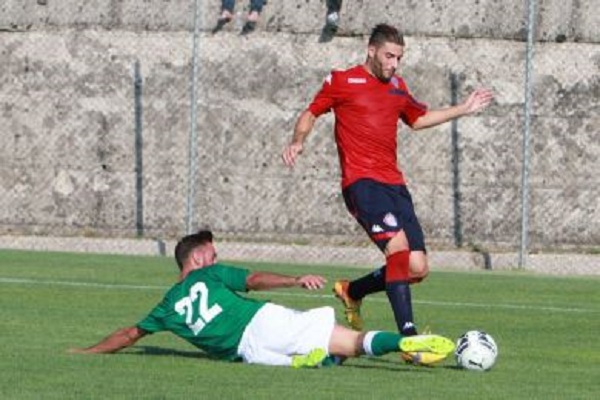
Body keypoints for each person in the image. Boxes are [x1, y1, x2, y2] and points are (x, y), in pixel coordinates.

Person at [282, 24, 493, 365]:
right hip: (361, 183)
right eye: (389, 56)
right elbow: (311, 113)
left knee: (418, 267)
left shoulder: (397, 86)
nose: (394, 64)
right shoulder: (341, 80)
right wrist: (298, 141)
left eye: (399, 58)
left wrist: (462, 109)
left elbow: (418, 118)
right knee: (398, 249)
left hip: (394, 184)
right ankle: (408, 339)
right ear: (371, 50)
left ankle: (352, 291)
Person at [69, 230, 455, 368]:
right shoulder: (209, 273)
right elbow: (253, 279)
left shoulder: (167, 307)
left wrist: (87, 353)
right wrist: (294, 279)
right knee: (352, 341)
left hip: (250, 353)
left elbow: (128, 335)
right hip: (265, 322)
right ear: (199, 258)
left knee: (313, 360)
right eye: (213, 254)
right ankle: (404, 342)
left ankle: (314, 362)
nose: (216, 259)